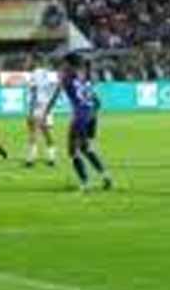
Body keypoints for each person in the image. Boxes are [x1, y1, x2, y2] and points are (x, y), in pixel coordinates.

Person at [45, 52, 112, 192]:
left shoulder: (66, 78)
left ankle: (85, 183)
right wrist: (91, 115)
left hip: (80, 116)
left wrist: (45, 113)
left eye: (64, 63)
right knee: (86, 148)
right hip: (91, 115)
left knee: (72, 150)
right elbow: (98, 102)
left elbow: (54, 97)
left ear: (69, 65)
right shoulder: (84, 79)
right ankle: (105, 176)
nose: (62, 66)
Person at [25, 55, 58, 167]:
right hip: (47, 106)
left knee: (33, 131)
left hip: (38, 106)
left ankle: (30, 159)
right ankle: (52, 158)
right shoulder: (49, 74)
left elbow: (34, 92)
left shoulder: (35, 74)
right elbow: (55, 90)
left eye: (29, 60)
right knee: (47, 132)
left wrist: (31, 111)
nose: (28, 63)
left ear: (36, 62)